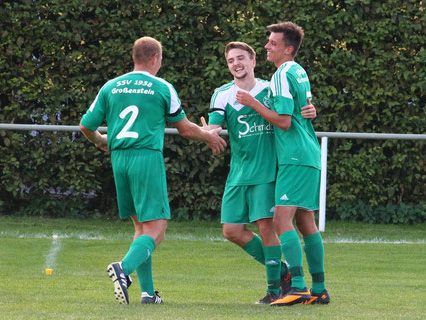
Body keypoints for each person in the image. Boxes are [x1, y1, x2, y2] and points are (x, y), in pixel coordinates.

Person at [79, 36, 226, 305]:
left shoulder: (110, 86)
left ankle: (148, 294)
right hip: (145, 158)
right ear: (156, 58)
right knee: (157, 230)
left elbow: (85, 126)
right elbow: (184, 128)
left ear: (134, 57)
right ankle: (123, 268)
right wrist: (208, 135)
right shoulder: (161, 87)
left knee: (141, 227)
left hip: (119, 159)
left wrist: (101, 140)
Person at [201, 41, 317, 304]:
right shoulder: (222, 94)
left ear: (253, 61)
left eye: (241, 58)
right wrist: (206, 134)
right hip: (239, 172)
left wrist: (310, 110)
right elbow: (214, 127)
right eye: (231, 60)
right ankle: (283, 271)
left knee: (266, 228)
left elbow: (295, 114)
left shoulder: (270, 88)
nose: (236, 64)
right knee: (231, 231)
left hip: (267, 171)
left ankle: (274, 290)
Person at [236, 22, 330, 306]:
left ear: (288, 49)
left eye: (272, 43)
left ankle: (298, 288)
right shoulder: (299, 71)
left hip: (294, 156)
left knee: (281, 220)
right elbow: (305, 111)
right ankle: (320, 289)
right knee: (305, 221)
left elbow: (285, 121)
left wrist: (253, 104)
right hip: (308, 153)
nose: (266, 46)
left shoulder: (281, 74)